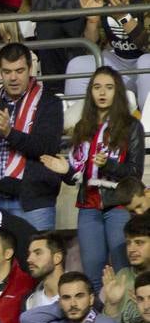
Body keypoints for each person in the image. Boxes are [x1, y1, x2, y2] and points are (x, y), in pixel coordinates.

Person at [42, 66, 143, 292]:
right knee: (93, 275)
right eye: (97, 87)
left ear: (117, 92)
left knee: (122, 271)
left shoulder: (131, 126)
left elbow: (135, 173)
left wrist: (109, 165)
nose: (102, 93)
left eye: (108, 87)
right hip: (88, 207)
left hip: (118, 205)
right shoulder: (82, 128)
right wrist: (64, 170)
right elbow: (77, 175)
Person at [0, 43, 64, 232]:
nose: (13, 78)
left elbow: (47, 147)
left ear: (30, 69)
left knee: (37, 260)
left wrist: (10, 134)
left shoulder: (49, 103)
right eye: (7, 71)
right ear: (0, 72)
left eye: (19, 71)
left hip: (34, 202)